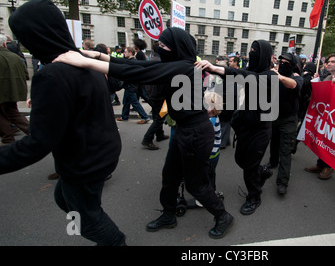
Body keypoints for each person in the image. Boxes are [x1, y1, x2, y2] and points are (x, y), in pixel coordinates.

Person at [54, 27, 234, 239]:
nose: (160, 48)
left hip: (196, 132)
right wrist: (100, 55)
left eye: (164, 45)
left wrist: (85, 62)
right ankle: (168, 214)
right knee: (170, 177)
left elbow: (139, 72)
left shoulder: (184, 68)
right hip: (184, 129)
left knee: (197, 184)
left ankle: (223, 216)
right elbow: (137, 64)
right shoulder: (173, 64)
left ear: (177, 47)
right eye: (159, 44)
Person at [0, 0, 126, 246]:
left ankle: (113, 241)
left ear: (36, 35)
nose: (24, 44)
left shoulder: (52, 74)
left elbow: (36, 143)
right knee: (66, 200)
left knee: (90, 219)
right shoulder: (82, 60)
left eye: (24, 37)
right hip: (101, 153)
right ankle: (93, 224)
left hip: (84, 162)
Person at [196, 40, 277, 215]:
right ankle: (261, 171)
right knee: (241, 160)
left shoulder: (270, 76)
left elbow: (242, 75)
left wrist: (216, 68)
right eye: (251, 50)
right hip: (244, 127)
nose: (252, 53)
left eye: (256, 51)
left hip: (260, 129)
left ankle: (254, 196)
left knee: (249, 166)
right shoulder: (251, 72)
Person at [305, 53, 335, 180]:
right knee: (322, 140)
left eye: (333, 62)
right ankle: (320, 164)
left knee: (331, 143)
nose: (329, 64)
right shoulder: (327, 77)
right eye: (329, 61)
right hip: (324, 115)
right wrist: (317, 82)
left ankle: (329, 166)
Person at [267, 53, 303, 195]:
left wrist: (279, 77)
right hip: (274, 116)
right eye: (281, 61)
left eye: (286, 62)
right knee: (274, 143)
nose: (283, 64)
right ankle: (272, 162)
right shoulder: (273, 76)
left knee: (285, 150)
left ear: (293, 66)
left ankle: (282, 182)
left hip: (289, 119)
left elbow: (294, 85)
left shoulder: (296, 78)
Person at [0, 34, 30, 145]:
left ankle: (8, 139)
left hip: (2, 92)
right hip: (14, 91)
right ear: (4, 44)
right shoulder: (16, 57)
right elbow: (26, 74)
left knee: (2, 116)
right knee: (13, 113)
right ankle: (32, 131)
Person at [141, 45, 169, 150]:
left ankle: (160, 135)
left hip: (151, 93)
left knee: (157, 115)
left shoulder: (151, 59)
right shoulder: (161, 62)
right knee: (159, 118)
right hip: (158, 94)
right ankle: (147, 139)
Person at [116, 47, 150, 124]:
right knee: (126, 102)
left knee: (135, 103)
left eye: (125, 52)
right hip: (129, 85)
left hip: (130, 85)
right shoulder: (134, 61)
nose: (124, 53)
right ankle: (124, 117)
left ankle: (145, 117)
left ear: (130, 53)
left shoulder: (131, 62)